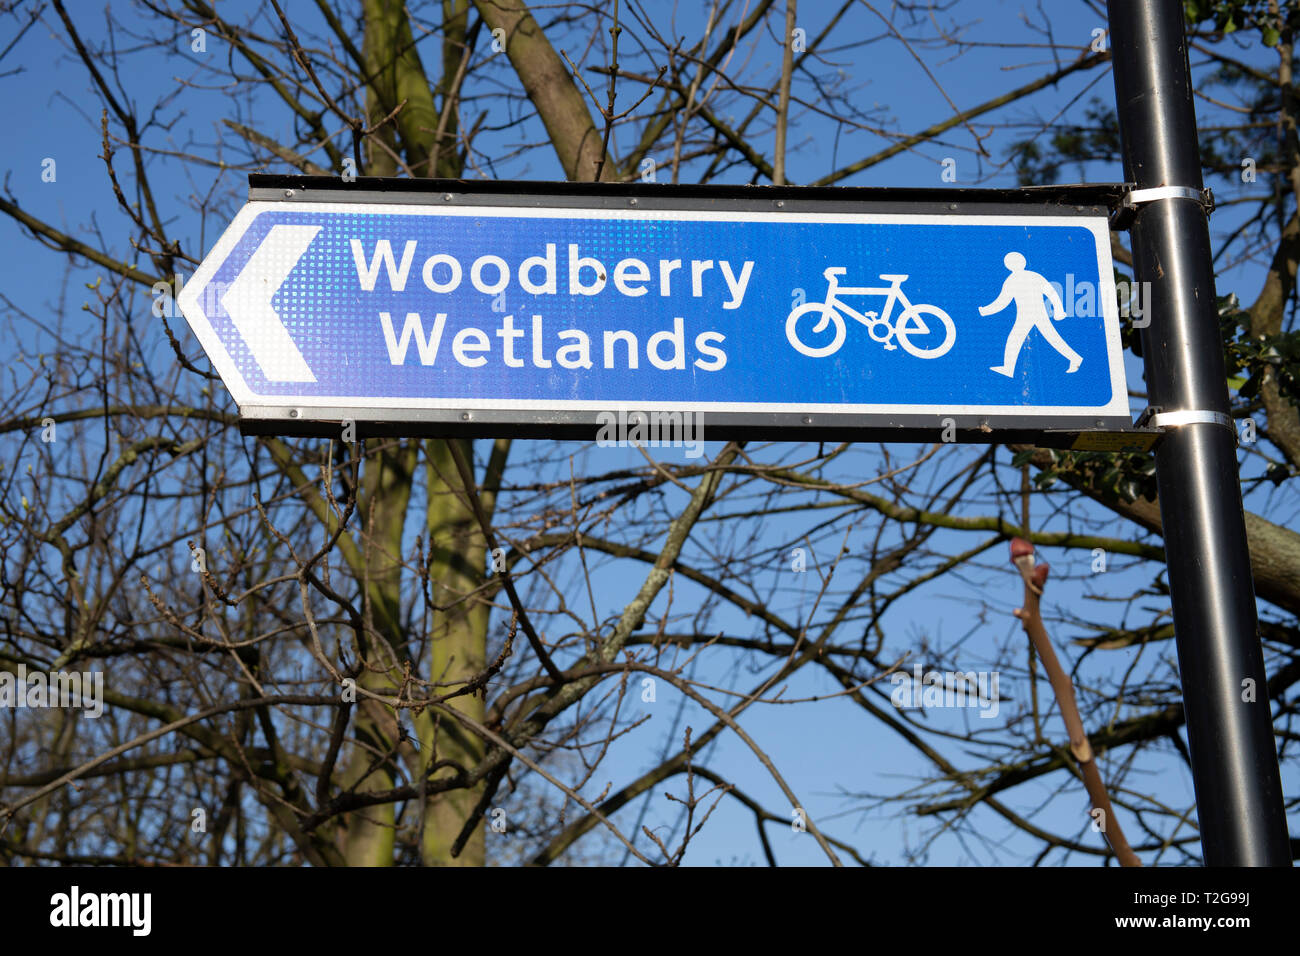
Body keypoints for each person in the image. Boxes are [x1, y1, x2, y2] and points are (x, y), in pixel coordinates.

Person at [979, 251, 1082, 377]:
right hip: (1029, 314)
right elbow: (1051, 293)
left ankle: (1008, 368)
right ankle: (1008, 368)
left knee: (1028, 338)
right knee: (1026, 338)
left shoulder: (1015, 279)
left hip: (1032, 314)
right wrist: (1058, 310)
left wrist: (985, 311)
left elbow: (1002, 302)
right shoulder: (1030, 277)